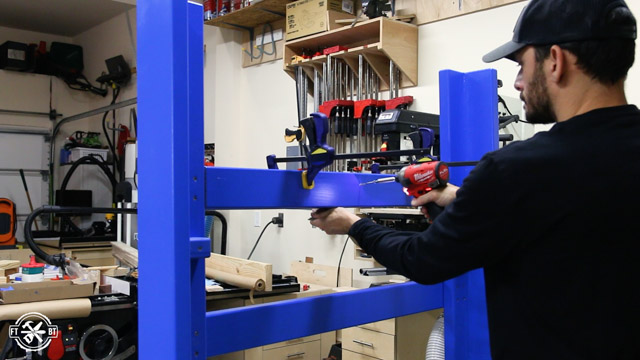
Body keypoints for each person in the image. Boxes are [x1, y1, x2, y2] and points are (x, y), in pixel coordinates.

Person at [309, 0, 640, 359]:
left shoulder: (514, 171)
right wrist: (461, 198)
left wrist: (354, 225)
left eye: (521, 65)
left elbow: (422, 259)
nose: (517, 82)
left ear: (555, 61)